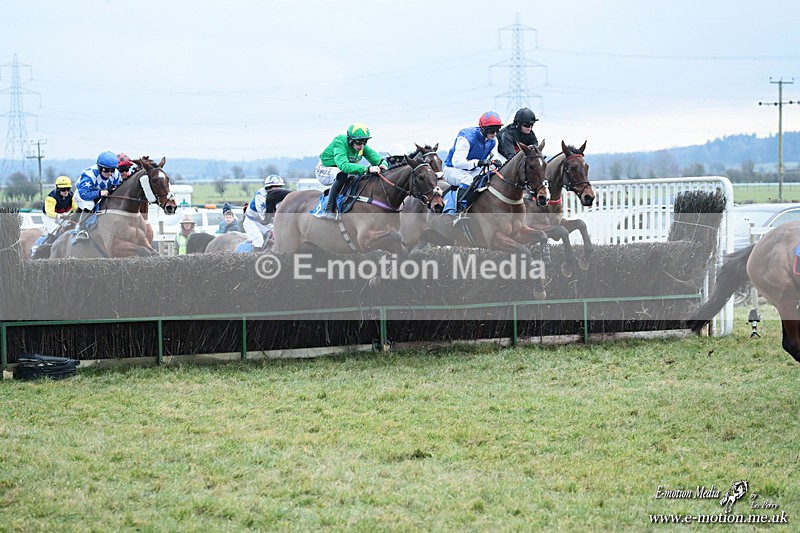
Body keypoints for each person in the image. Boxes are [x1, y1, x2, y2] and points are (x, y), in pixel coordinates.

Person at [314, 123, 388, 220]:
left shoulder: (362, 147)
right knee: (342, 174)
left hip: (343, 169)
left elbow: (380, 160)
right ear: (350, 140)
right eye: (358, 143)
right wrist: (367, 169)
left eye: (364, 142)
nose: (361, 146)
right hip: (325, 169)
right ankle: (328, 209)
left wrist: (384, 166)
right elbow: (344, 166)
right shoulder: (340, 141)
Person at [442, 111, 503, 211]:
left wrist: (496, 163)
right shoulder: (466, 137)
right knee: (468, 180)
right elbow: (457, 162)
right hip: (452, 169)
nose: (495, 134)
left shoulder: (494, 141)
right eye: (492, 131)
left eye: (497, 130)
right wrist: (478, 162)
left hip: (472, 169)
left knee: (488, 178)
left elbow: (493, 158)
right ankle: (460, 209)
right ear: (483, 128)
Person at [72, 151, 121, 241]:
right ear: (100, 167)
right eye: (106, 170)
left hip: (102, 193)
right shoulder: (89, 175)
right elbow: (84, 195)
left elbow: (117, 186)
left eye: (112, 170)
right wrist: (99, 193)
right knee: (89, 205)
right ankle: (81, 230)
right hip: (82, 195)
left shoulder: (116, 174)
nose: (110, 173)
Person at [243, 174, 291, 249]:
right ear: (268, 187)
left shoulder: (279, 197)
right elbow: (264, 217)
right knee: (259, 241)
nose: (277, 190)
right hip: (252, 221)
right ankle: (254, 259)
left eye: (279, 187)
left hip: (264, 222)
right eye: (274, 187)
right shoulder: (261, 195)